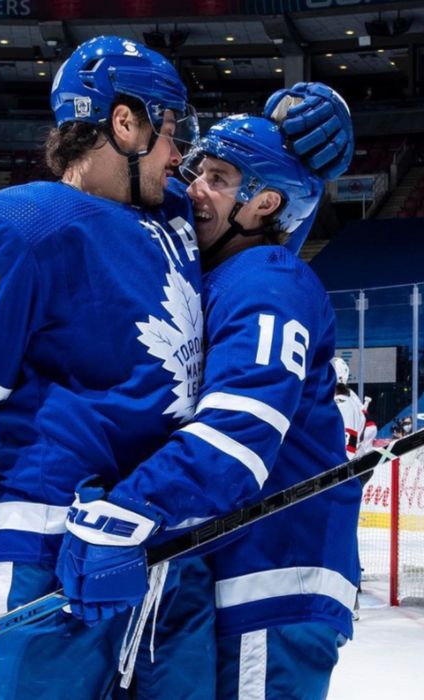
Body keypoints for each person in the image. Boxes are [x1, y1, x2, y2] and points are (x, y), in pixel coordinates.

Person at [0, 35, 206, 699]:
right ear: (123, 123)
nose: (178, 152)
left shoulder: (179, 219)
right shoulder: (26, 224)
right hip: (46, 552)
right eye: (169, 129)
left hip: (167, 558)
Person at [173, 111, 359, 699]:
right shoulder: (238, 273)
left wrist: (128, 507)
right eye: (198, 169)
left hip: (273, 573)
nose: (194, 186)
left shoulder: (268, 280)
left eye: (220, 177)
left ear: (265, 203)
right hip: (253, 573)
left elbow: (240, 431)